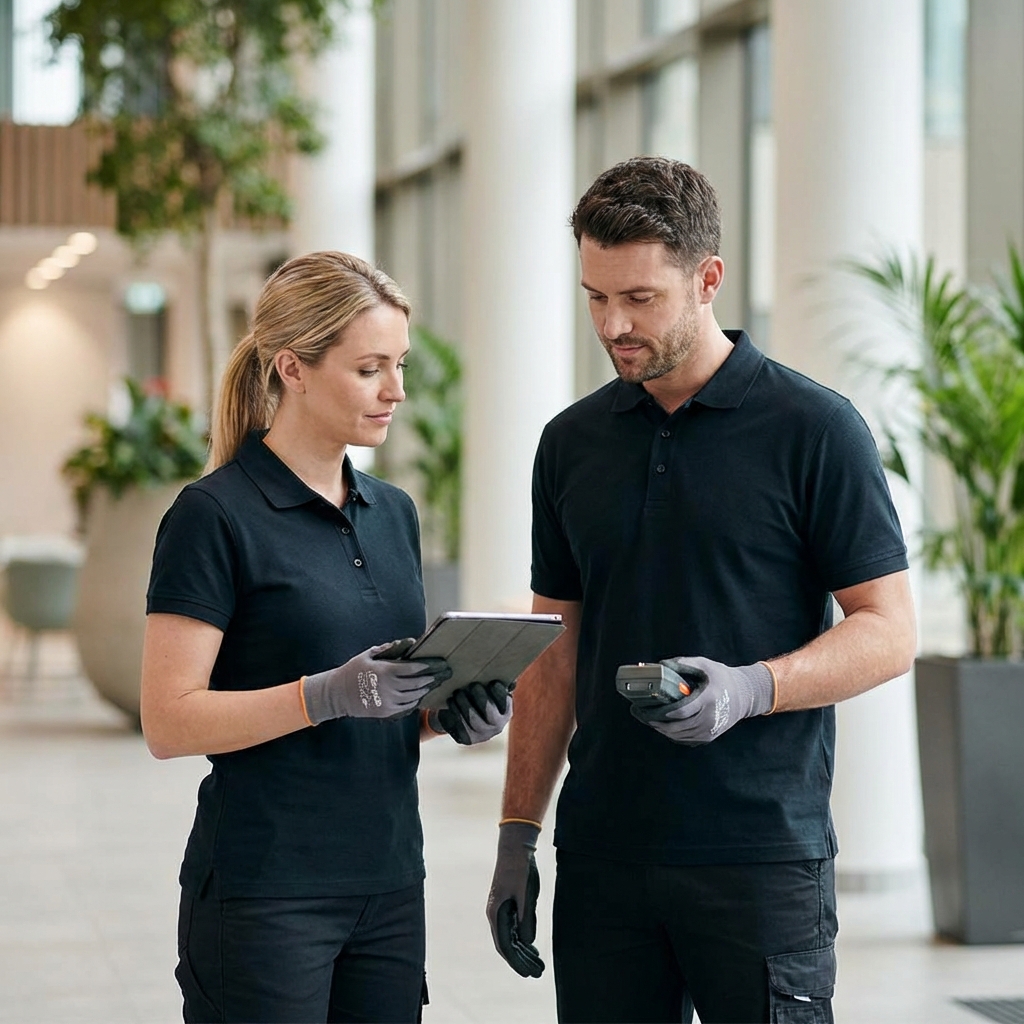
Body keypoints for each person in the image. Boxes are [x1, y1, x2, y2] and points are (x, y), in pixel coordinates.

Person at [485, 158, 917, 1024]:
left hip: (759, 859)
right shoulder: (569, 444)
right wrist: (517, 834)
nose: (614, 325)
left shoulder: (814, 429)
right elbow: (554, 649)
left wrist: (752, 688)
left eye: (640, 298)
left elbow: (888, 629)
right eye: (596, 297)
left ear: (708, 278)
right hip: (606, 857)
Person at [141, 251, 512, 1024]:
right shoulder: (212, 517)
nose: (397, 391)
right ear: (293, 369)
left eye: (399, 365)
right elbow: (169, 721)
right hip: (265, 893)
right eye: (370, 368)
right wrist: (324, 694)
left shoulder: (395, 513)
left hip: (387, 884)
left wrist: (444, 713)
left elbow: (384, 701)